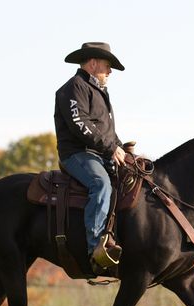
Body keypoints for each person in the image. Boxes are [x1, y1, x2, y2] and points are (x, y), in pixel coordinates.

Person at [54, 42, 129, 272]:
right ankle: (95, 246)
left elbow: (107, 130)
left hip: (100, 152)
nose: (110, 71)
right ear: (93, 63)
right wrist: (110, 148)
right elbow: (80, 125)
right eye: (107, 66)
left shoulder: (100, 91)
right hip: (78, 154)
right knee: (101, 184)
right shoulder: (73, 88)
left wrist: (120, 148)